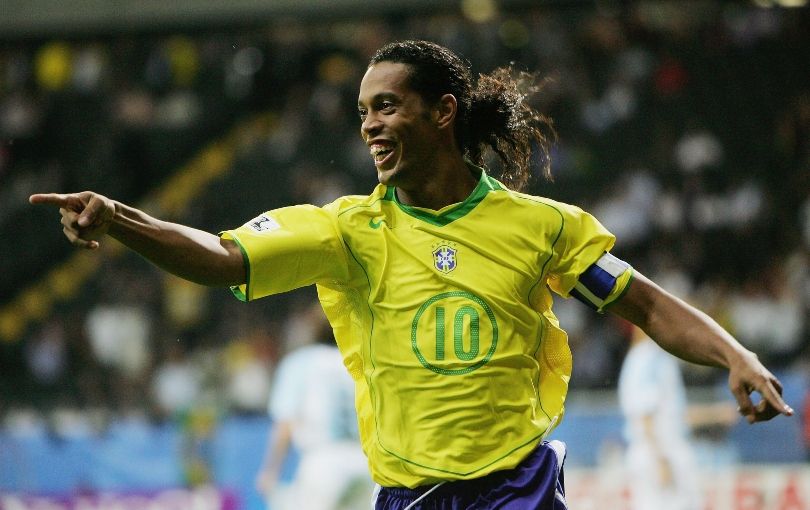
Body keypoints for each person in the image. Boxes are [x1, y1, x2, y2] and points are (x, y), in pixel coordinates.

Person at [30, 40, 792, 509]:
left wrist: (734, 354)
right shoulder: (345, 231)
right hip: (408, 498)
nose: (369, 125)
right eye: (363, 111)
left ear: (443, 112)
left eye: (387, 107)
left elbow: (645, 305)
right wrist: (122, 219)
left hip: (516, 488)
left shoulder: (541, 228)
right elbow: (223, 258)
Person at [255, 303, 372, 510]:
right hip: (364, 462)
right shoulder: (360, 361)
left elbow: (286, 423)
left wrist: (271, 470)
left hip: (322, 462)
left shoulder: (300, 362)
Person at [617, 325, 703, 510]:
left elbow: (674, 413)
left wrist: (715, 414)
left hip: (664, 447)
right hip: (658, 450)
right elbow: (644, 413)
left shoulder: (656, 356)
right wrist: (660, 459)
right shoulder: (646, 357)